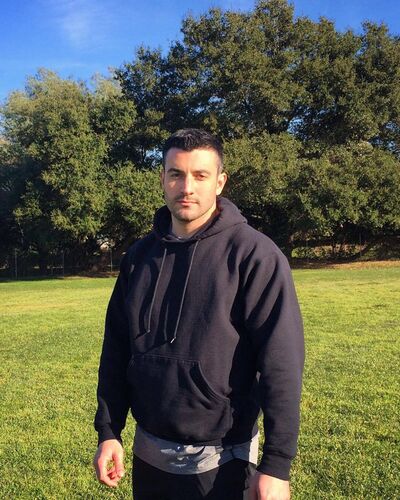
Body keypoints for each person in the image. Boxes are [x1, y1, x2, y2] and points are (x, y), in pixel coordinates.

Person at [93, 128, 305, 499]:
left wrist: (276, 464)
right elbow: (116, 349)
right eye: (176, 174)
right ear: (162, 178)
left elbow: (281, 362)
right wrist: (109, 432)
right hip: (149, 452)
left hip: (224, 458)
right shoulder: (138, 258)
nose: (187, 187)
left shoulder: (255, 255)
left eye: (200, 175)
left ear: (220, 182)